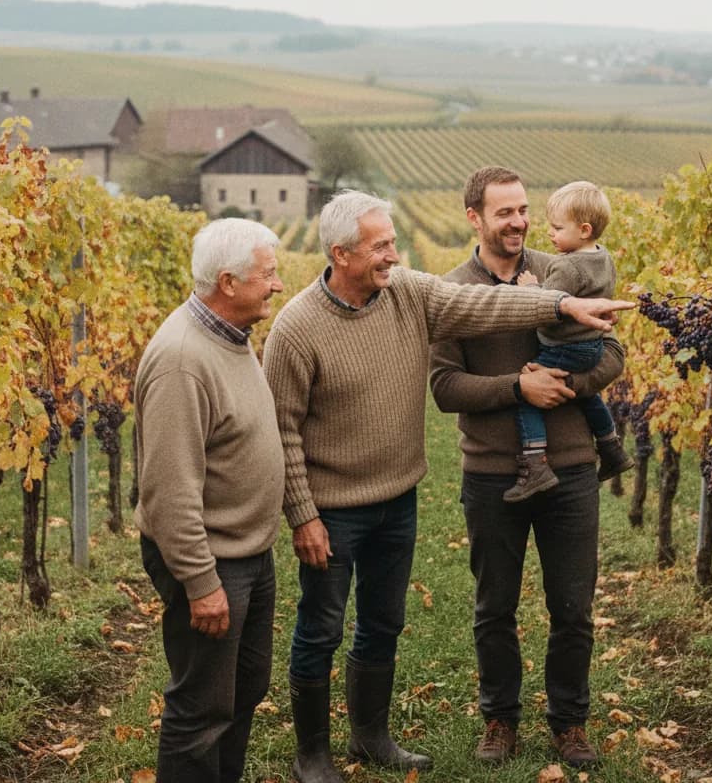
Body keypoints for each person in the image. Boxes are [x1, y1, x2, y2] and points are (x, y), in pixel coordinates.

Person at [262, 189, 631, 783]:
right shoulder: (298, 326)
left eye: (392, 242)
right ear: (341, 253)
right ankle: (313, 755)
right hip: (334, 508)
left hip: (399, 497)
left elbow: (487, 306)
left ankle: (370, 737)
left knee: (382, 622)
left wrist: (558, 303)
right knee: (322, 626)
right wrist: (303, 514)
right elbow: (280, 428)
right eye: (381, 245)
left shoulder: (410, 291)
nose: (393, 254)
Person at [429, 166, 627, 770]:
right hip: (491, 474)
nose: (517, 222)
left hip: (568, 470)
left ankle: (569, 724)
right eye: (503, 212)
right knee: (495, 608)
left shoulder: (566, 268)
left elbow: (613, 350)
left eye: (522, 210)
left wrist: (567, 384)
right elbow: (443, 386)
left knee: (573, 608)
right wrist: (519, 386)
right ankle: (500, 720)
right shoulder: (453, 290)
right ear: (475, 218)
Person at [133, 218, 285, 783]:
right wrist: (201, 583)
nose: (276, 284)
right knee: (201, 708)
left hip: (246, 553)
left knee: (243, 690)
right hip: (213, 560)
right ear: (228, 281)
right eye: (267, 275)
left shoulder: (229, 337)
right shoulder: (182, 361)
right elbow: (169, 491)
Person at [504, 179, 634, 501]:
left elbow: (547, 306)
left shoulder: (566, 265)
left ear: (584, 230)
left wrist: (530, 289)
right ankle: (611, 447)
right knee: (588, 396)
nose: (550, 233)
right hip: (592, 347)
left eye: (558, 228)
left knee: (529, 390)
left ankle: (535, 462)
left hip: (564, 347)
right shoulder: (604, 258)